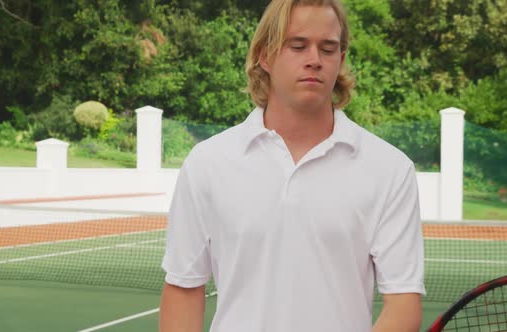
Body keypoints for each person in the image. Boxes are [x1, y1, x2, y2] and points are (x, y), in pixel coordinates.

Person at [159, 0, 425, 331]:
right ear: (265, 55)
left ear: (340, 59)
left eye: (328, 48)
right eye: (297, 46)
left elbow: (404, 306)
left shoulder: (390, 169)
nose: (314, 60)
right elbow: (184, 288)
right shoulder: (208, 162)